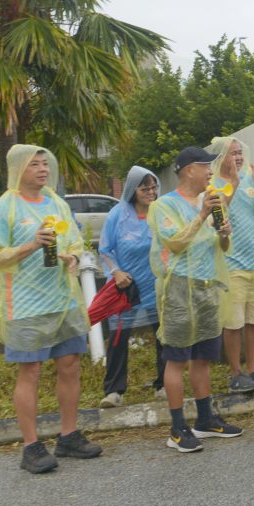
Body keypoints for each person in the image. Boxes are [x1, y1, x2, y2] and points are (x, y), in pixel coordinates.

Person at [0, 145, 102, 473]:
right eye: (34, 164)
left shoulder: (57, 202)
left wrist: (74, 257)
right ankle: (31, 446)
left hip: (63, 301)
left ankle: (68, 436)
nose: (43, 169)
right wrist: (32, 245)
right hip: (24, 305)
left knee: (70, 365)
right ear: (18, 168)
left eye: (44, 163)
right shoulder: (4, 208)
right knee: (31, 371)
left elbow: (76, 242)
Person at [149, 146, 243, 453]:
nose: (210, 173)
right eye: (206, 167)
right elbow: (175, 243)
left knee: (203, 356)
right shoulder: (163, 206)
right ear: (189, 169)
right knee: (176, 358)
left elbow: (223, 246)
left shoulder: (213, 201)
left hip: (207, 286)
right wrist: (203, 214)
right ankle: (178, 428)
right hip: (178, 289)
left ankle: (205, 420)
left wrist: (224, 231)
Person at [207, 137, 254, 394]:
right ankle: (235, 373)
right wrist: (234, 184)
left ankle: (252, 369)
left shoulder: (253, 176)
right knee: (233, 322)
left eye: (239, 153)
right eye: (231, 154)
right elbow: (216, 218)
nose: (237, 158)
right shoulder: (213, 183)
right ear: (220, 157)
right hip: (231, 264)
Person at [98, 166, 164, 408]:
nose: (150, 192)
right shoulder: (117, 215)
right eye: (144, 187)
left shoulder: (160, 211)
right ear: (132, 190)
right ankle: (114, 390)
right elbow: (104, 250)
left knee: (163, 334)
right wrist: (115, 272)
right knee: (118, 336)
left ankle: (164, 383)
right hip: (125, 285)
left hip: (155, 282)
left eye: (153, 186)